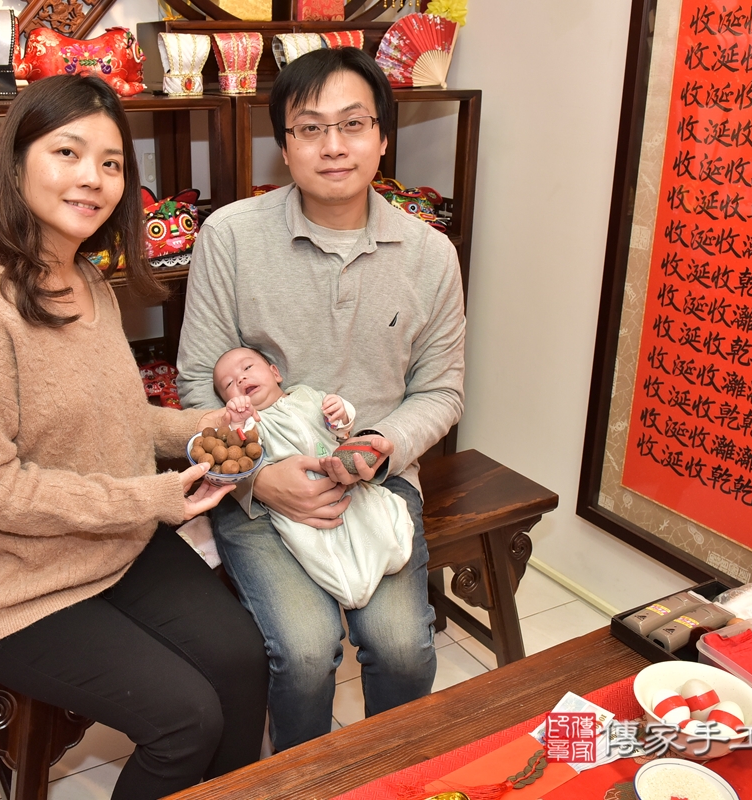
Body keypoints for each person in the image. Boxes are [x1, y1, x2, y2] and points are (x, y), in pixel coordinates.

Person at [0, 75, 268, 800]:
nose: (93, 178)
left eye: (111, 163)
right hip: (14, 584)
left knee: (242, 659)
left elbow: (116, 420)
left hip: (111, 545)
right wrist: (151, 498)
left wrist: (204, 426)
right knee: (185, 721)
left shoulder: (88, 280)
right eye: (68, 152)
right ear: (17, 163)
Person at [176, 47, 466, 751]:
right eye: (310, 128)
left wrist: (381, 447)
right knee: (305, 653)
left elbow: (440, 390)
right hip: (259, 482)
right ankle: (299, 783)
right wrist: (258, 478)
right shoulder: (230, 236)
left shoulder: (430, 255)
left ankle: (387, 779)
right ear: (284, 145)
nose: (333, 146)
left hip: (376, 484)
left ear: (383, 137)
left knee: (403, 648)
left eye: (353, 124)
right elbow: (196, 382)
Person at [213, 346, 413, 610]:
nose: (240, 378)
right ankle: (350, 587)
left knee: (375, 517)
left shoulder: (306, 395)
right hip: (295, 506)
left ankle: (392, 549)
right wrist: (237, 423)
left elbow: (339, 429)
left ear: (275, 373)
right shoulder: (254, 424)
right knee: (320, 550)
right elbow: (241, 454)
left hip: (344, 482)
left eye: (248, 367)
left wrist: (340, 412)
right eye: (229, 384)